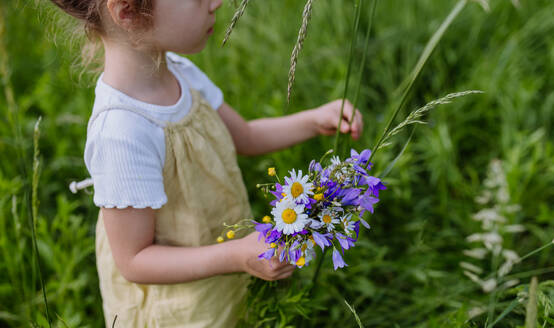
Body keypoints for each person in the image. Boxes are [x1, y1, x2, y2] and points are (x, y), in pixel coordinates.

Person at [49, 0, 363, 326]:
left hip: (222, 273)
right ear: (128, 12)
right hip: (177, 308)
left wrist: (313, 120)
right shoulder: (122, 132)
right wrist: (236, 255)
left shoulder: (178, 72)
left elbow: (247, 136)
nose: (217, 3)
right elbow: (134, 261)